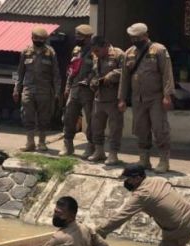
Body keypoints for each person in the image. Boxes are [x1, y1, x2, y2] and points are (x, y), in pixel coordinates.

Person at [96, 164, 190, 246]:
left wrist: (99, 232)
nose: (126, 182)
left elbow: (121, 217)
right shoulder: (160, 180)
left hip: (179, 228)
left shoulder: (142, 195)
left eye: (128, 179)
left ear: (137, 178)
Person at [118, 23, 174, 173]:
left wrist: (167, 95)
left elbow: (167, 74)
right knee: (140, 129)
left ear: (145, 36)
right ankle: (144, 159)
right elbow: (124, 78)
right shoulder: (128, 53)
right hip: (138, 99)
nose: (134, 40)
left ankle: (164, 160)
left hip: (156, 97)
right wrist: (122, 99)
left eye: (137, 37)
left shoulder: (159, 50)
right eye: (132, 38)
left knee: (159, 129)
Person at [13, 27, 61, 152]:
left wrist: (57, 91)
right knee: (27, 115)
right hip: (28, 89)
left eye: (42, 39)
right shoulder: (26, 52)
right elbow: (20, 72)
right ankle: (30, 142)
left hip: (44, 90)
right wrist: (16, 89)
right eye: (37, 38)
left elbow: (56, 74)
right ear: (32, 38)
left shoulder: (50, 53)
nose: (39, 41)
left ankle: (42, 142)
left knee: (43, 117)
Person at [89, 36, 125, 165]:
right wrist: (92, 82)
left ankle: (113, 154)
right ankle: (99, 151)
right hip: (99, 97)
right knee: (96, 126)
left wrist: (110, 76)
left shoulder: (118, 54)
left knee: (115, 128)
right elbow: (94, 73)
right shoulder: (95, 57)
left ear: (105, 46)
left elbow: (125, 72)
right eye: (93, 51)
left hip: (113, 98)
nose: (95, 54)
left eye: (97, 50)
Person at [61, 24, 95, 157]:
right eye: (76, 35)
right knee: (69, 116)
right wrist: (67, 86)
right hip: (74, 88)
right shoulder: (76, 50)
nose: (77, 38)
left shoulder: (94, 51)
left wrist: (89, 80)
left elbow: (96, 70)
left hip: (88, 90)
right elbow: (71, 69)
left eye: (80, 36)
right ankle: (68, 145)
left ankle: (91, 146)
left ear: (88, 37)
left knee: (91, 119)